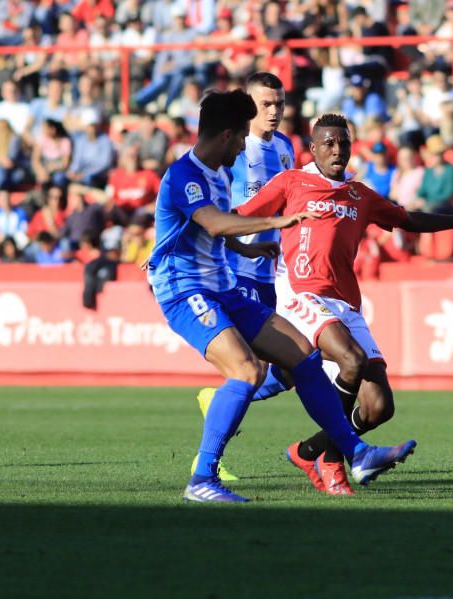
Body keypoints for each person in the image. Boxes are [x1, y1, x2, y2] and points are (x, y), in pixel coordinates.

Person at [148, 90, 416, 503]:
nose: (244, 146)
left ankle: (357, 453)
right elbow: (216, 224)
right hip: (185, 291)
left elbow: (212, 231)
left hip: (221, 286)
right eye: (240, 138)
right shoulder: (185, 175)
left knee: (304, 357)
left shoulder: (218, 174)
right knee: (247, 371)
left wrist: (250, 249)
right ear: (225, 135)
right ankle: (202, 478)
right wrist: (279, 220)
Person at [237, 113, 453, 495]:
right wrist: (177, 238)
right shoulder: (292, 182)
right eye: (328, 143)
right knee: (352, 361)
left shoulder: (360, 194)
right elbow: (242, 215)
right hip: (300, 293)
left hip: (345, 302)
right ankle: (335, 458)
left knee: (378, 407)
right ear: (313, 148)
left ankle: (308, 451)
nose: (337, 149)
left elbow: (409, 219)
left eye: (343, 143)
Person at [191, 72, 297, 482]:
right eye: (266, 104)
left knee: (287, 369)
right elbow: (206, 207)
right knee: (248, 369)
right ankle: (207, 464)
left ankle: (213, 401)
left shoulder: (286, 148)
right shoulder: (232, 148)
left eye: (279, 103)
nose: (274, 111)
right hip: (235, 272)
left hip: (269, 272)